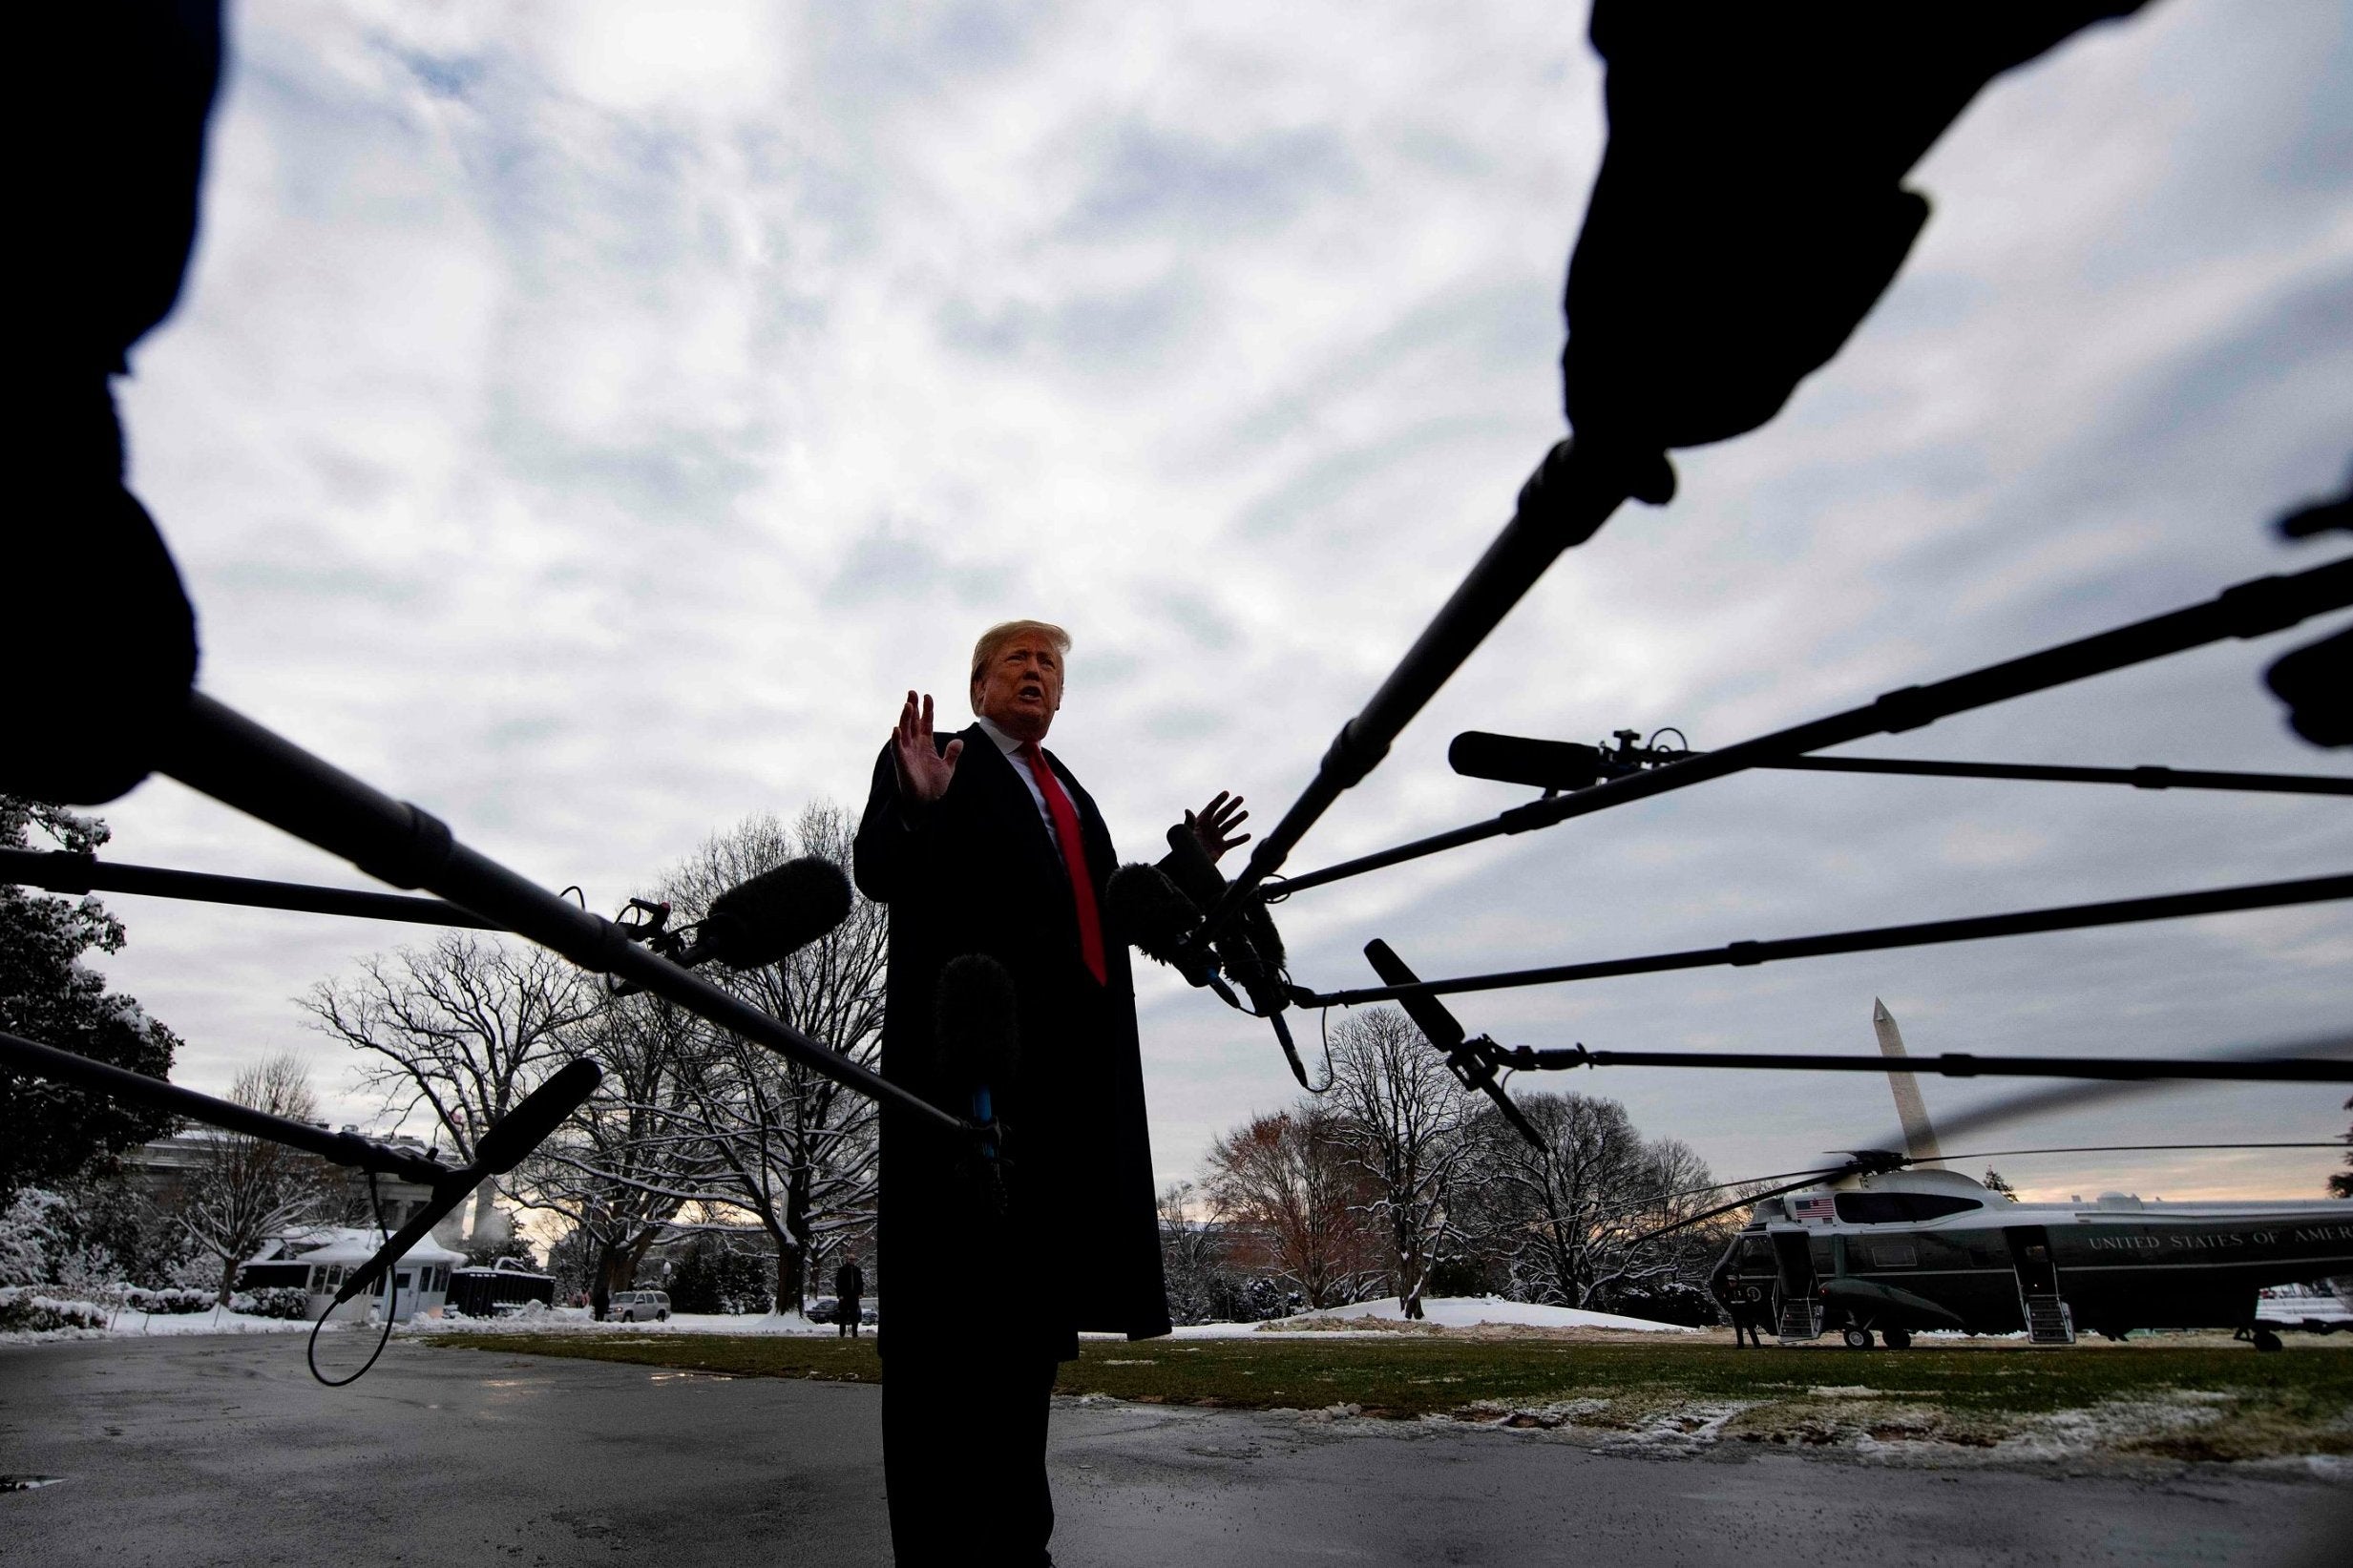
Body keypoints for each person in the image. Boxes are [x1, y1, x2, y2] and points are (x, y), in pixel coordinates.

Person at [853, 619, 1247, 1568]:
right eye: (1016, 661)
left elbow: (1100, 903)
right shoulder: (937, 756)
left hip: (1060, 1101)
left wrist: (1185, 871)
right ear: (979, 682)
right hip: (966, 1094)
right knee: (952, 1345)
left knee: (1022, 1338)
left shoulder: (1068, 787)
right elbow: (880, 871)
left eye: (1051, 665)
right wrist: (915, 805)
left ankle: (1015, 1548)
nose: (1036, 674)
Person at [834, 1254, 866, 1339]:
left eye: (853, 1259)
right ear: (847, 1260)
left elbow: (860, 1282)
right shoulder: (842, 1270)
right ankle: (842, 1334)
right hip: (844, 1296)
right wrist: (839, 1295)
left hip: (854, 1296)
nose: (852, 1260)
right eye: (850, 1259)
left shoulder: (857, 1270)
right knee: (843, 1316)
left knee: (854, 1316)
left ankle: (855, 1334)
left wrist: (860, 1293)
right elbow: (838, 1283)